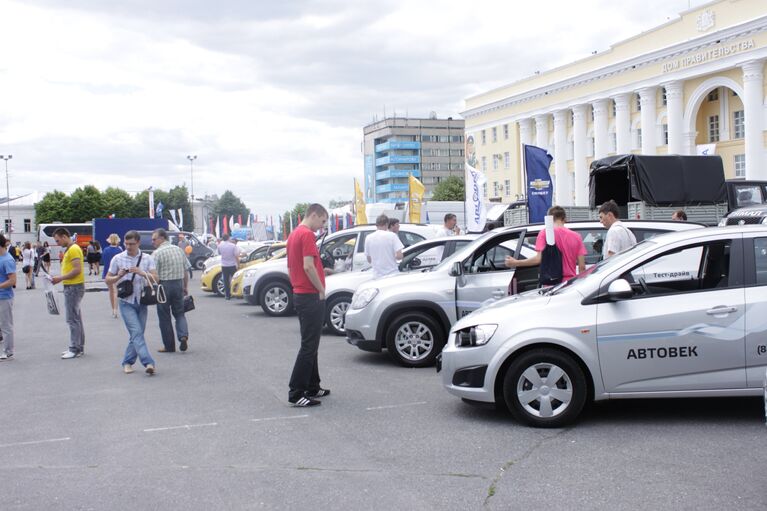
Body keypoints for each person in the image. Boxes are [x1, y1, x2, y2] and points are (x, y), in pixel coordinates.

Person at [287, 203, 330, 407]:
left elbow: (292, 267)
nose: (321, 227)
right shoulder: (306, 235)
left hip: (301, 293)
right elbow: (307, 265)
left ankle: (313, 386)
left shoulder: (294, 234)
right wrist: (320, 289)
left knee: (311, 343)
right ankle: (296, 392)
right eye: (321, 221)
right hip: (310, 296)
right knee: (309, 346)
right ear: (314, 215)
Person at [106, 230, 157, 375]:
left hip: (143, 300)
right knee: (136, 332)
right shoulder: (118, 258)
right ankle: (148, 362)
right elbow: (107, 280)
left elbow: (156, 278)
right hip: (125, 301)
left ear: (138, 243)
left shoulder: (147, 258)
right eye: (126, 243)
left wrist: (142, 273)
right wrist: (118, 276)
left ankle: (127, 362)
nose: (128, 247)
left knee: (137, 334)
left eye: (132, 244)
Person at [504, 206, 586, 283]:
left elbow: (538, 259)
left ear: (549, 218)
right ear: (564, 219)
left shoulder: (544, 233)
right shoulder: (577, 236)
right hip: (570, 284)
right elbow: (582, 267)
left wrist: (515, 263)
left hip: (551, 283)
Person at [151, 228, 190, 353]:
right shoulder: (179, 250)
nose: (153, 242)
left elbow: (154, 274)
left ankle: (169, 346)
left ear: (162, 238)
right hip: (178, 283)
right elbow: (186, 270)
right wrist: (185, 287)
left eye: (154, 239)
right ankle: (183, 336)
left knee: (164, 317)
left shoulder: (157, 253)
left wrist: (152, 287)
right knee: (179, 313)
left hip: (163, 286)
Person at [51, 228, 86, 359]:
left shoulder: (73, 249)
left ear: (65, 236)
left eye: (58, 240)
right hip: (73, 286)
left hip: (73, 286)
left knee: (72, 319)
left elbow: (77, 270)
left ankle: (74, 348)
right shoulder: (72, 249)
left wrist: (60, 278)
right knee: (76, 318)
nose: (57, 242)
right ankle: (78, 347)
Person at [364, 214, 404, 279]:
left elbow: (369, 259)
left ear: (376, 225)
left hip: (377, 276)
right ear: (387, 224)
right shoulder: (392, 236)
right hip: (392, 274)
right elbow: (399, 256)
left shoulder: (368, 238)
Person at [0, 234, 16, 361]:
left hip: (4, 297)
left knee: (6, 324)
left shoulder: (7, 260)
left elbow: (12, 281)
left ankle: (8, 351)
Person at [101, 234, 124, 318]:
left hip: (107, 272)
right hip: (116, 273)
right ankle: (115, 310)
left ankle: (112, 309)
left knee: (110, 291)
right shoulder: (119, 250)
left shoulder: (106, 250)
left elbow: (103, 260)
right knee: (115, 291)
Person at [217, 233, 240, 300]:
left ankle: (227, 295)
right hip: (232, 264)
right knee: (234, 279)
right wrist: (238, 264)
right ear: (228, 238)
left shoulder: (220, 245)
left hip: (224, 265)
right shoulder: (233, 246)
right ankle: (235, 293)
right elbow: (236, 256)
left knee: (226, 280)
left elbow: (219, 253)